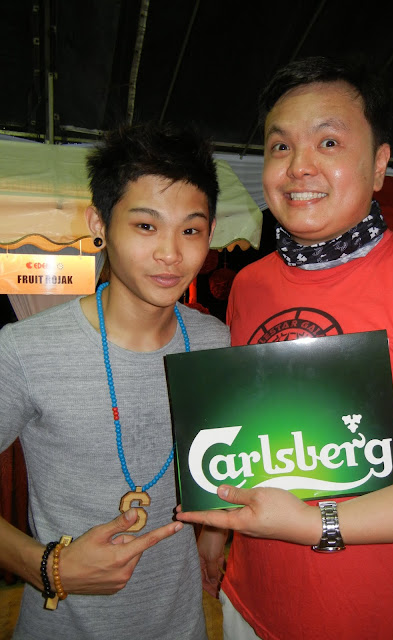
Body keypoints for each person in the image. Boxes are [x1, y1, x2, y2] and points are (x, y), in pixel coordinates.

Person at [176, 55, 393, 640]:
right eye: (280, 146)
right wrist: (216, 528)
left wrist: (321, 524)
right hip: (251, 606)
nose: (298, 167)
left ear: (379, 165)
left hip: (385, 621)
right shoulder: (250, 284)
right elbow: (241, 423)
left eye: (329, 142)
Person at [0, 121, 230, 639]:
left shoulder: (216, 342)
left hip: (182, 625)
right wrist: (46, 566)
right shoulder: (26, 350)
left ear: (210, 232)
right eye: (146, 226)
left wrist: (214, 530)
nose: (171, 253)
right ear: (99, 223)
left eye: (190, 230)